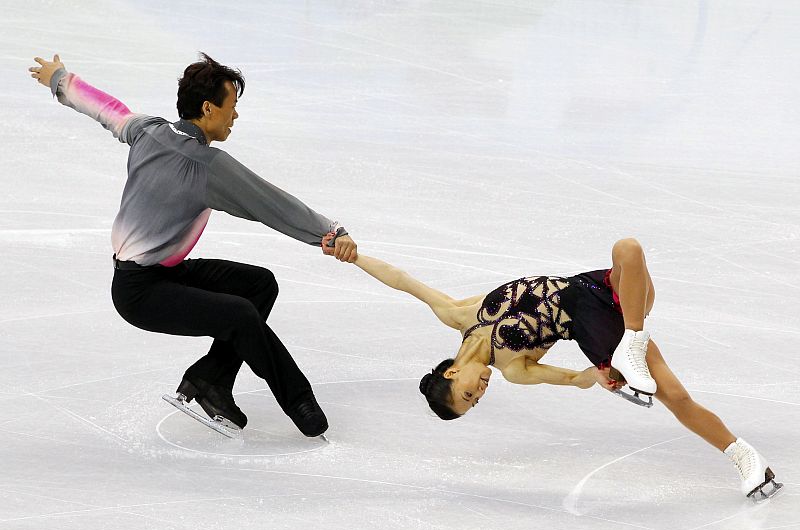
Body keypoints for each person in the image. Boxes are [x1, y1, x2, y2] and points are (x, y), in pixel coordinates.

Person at [29, 53, 358, 437]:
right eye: (231, 106)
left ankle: (211, 381)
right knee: (239, 315)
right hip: (141, 293)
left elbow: (107, 110)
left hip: (166, 275)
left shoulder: (148, 130)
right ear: (208, 107)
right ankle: (299, 400)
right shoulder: (207, 165)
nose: (234, 116)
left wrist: (61, 81)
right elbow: (272, 203)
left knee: (258, 285)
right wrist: (329, 233)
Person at [341, 238, 783, 501]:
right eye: (476, 402)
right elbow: (575, 378)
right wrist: (600, 377)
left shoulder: (458, 314)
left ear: (452, 375)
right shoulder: (515, 368)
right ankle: (746, 458)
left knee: (628, 248)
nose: (481, 393)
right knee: (677, 397)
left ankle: (634, 339)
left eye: (469, 394)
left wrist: (352, 257)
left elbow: (401, 280)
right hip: (592, 327)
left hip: (590, 285)